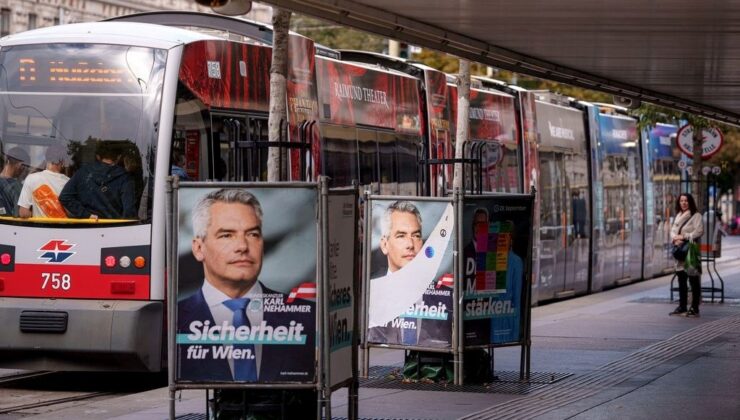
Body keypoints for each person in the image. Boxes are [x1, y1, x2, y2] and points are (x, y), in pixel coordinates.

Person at [177, 188, 315, 382]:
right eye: (226, 235)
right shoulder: (177, 320)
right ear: (199, 248)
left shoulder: (305, 316)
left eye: (252, 234)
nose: (242, 246)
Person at [367, 201, 452, 347]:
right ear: (384, 244)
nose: (410, 245)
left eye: (416, 235)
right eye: (401, 236)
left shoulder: (444, 297)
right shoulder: (370, 296)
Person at [59, 141, 136, 220]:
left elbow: (65, 197)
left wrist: (86, 215)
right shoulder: (125, 178)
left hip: (87, 226)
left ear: (98, 156)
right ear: (119, 157)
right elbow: (129, 211)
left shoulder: (83, 172)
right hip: (114, 227)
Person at [670, 193, 704, 317]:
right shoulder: (678, 215)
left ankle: (695, 307)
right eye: (681, 201)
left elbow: (699, 231)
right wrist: (675, 239)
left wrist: (684, 237)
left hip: (690, 250)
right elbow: (672, 230)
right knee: (681, 279)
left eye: (686, 201)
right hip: (680, 250)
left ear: (690, 202)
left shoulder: (696, 215)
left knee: (694, 279)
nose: (683, 203)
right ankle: (682, 306)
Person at [17, 144, 70, 218]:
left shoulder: (32, 178)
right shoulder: (69, 183)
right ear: (63, 162)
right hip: (63, 228)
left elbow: (23, 213)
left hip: (40, 228)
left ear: (46, 159)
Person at [0, 147, 30, 217]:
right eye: (26, 167)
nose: (25, 171)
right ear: (21, 165)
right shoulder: (16, 187)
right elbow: (19, 216)